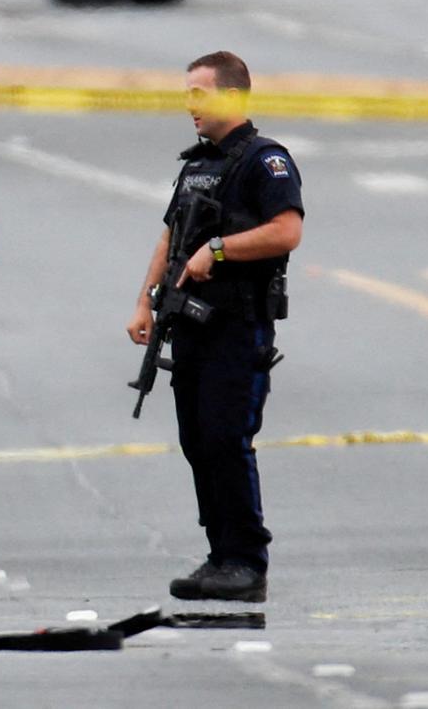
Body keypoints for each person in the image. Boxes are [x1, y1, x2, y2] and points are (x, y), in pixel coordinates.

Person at [126, 51, 304, 603]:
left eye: (200, 94)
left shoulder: (265, 161)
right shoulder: (197, 165)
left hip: (237, 325)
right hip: (191, 326)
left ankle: (246, 560)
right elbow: (169, 235)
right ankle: (220, 553)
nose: (190, 105)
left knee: (228, 439)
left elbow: (286, 232)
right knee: (197, 441)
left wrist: (219, 250)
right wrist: (145, 301)